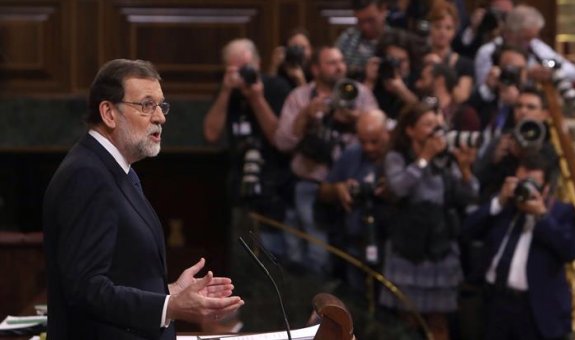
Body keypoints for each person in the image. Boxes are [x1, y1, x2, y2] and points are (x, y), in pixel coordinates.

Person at [43, 59, 244, 339]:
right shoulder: (86, 175)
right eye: (146, 105)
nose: (160, 117)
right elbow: (86, 289)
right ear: (109, 113)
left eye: (162, 106)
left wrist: (171, 291)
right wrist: (170, 306)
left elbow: (121, 276)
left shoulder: (118, 171)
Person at [378, 102, 478, 340]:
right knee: (408, 320)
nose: (435, 131)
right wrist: (423, 159)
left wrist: (465, 169)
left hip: (440, 249)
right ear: (410, 129)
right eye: (428, 125)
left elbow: (469, 196)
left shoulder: (446, 158)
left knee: (439, 322)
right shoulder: (397, 157)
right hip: (408, 247)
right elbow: (399, 188)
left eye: (438, 125)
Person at [274, 45, 378, 273]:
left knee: (352, 254)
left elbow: (379, 132)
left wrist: (355, 119)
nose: (339, 66)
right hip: (311, 183)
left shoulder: (358, 93)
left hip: (352, 187)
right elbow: (282, 143)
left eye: (341, 61)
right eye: (331, 62)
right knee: (317, 255)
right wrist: (306, 116)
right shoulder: (300, 97)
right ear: (315, 69)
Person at [463, 154, 575, 340]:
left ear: (546, 189)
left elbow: (570, 250)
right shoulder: (505, 207)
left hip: (534, 309)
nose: (524, 189)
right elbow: (468, 230)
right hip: (495, 303)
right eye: (520, 182)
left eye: (532, 184)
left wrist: (541, 216)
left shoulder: (560, 213)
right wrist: (499, 201)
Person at [203, 38, 292, 261]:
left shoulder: (276, 87)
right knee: (242, 257)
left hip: (276, 183)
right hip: (238, 184)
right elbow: (211, 134)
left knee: (276, 256)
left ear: (258, 63)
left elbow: (278, 137)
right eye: (235, 69)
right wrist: (225, 91)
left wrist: (257, 98)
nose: (241, 75)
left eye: (245, 68)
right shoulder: (227, 92)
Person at [317, 109, 391, 291]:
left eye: (375, 142)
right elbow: (322, 191)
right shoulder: (352, 153)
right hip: (354, 245)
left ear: (387, 133)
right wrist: (338, 189)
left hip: (391, 247)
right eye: (363, 141)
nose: (368, 148)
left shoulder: (398, 156)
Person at [474, 85, 559, 203]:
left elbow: (549, 191)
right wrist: (495, 159)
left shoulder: (549, 151)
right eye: (519, 106)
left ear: (544, 114)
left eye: (531, 107)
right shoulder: (502, 140)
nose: (523, 111)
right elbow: (479, 181)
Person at [473, 4, 575, 88]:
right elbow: (483, 88)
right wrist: (526, 73)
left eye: (533, 37)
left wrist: (550, 73)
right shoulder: (487, 52)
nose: (530, 43)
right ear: (510, 32)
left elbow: (573, 71)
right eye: (526, 38)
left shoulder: (536, 46)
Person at [336, 0, 400, 80]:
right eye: (360, 21)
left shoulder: (399, 40)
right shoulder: (347, 39)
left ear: (383, 11)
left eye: (371, 20)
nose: (365, 27)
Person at [363, 29, 420, 120]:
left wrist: (402, 91)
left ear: (410, 61)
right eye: (392, 60)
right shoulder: (374, 78)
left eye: (402, 61)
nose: (396, 66)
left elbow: (422, 113)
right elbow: (358, 112)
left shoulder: (418, 79)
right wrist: (369, 82)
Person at [425, 1, 475, 103]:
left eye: (448, 28)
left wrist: (441, 68)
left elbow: (462, 98)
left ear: (454, 31)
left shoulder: (465, 65)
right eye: (438, 26)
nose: (442, 32)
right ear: (430, 28)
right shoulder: (421, 58)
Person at [415, 62, 480, 131]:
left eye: (423, 79)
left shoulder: (466, 114)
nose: (417, 84)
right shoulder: (420, 112)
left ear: (440, 80)